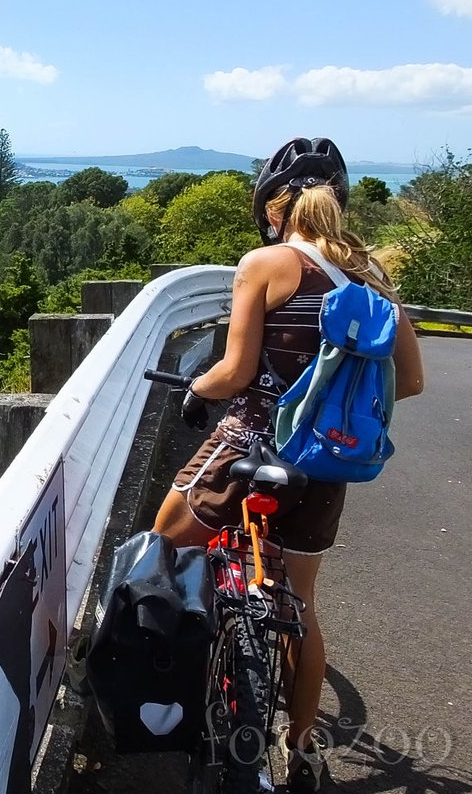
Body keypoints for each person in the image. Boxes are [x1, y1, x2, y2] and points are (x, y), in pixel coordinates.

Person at [152, 137, 425, 792]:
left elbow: (235, 371)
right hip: (327, 466)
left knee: (162, 540)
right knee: (299, 602)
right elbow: (409, 381)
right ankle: (300, 749)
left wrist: (195, 390)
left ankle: (172, 690)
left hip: (252, 442)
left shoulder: (266, 262)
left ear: (274, 208)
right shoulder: (372, 279)